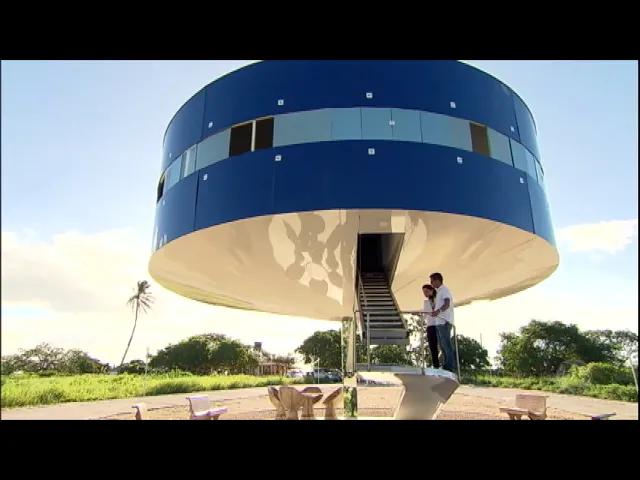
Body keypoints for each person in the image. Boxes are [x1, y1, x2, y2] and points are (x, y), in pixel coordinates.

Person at [428, 272, 456, 372]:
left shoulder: (444, 290)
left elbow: (447, 303)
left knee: (446, 344)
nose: (431, 283)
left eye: (432, 281)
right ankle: (445, 364)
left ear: (438, 280)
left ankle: (449, 366)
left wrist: (438, 311)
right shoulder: (439, 292)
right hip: (439, 322)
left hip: (444, 321)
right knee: (442, 345)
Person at [421, 284, 440, 369]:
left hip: (438, 324)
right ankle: (436, 366)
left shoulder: (438, 299)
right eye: (424, 292)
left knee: (442, 345)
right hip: (430, 325)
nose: (425, 294)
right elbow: (425, 315)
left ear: (431, 290)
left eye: (427, 291)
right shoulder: (426, 302)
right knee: (432, 347)